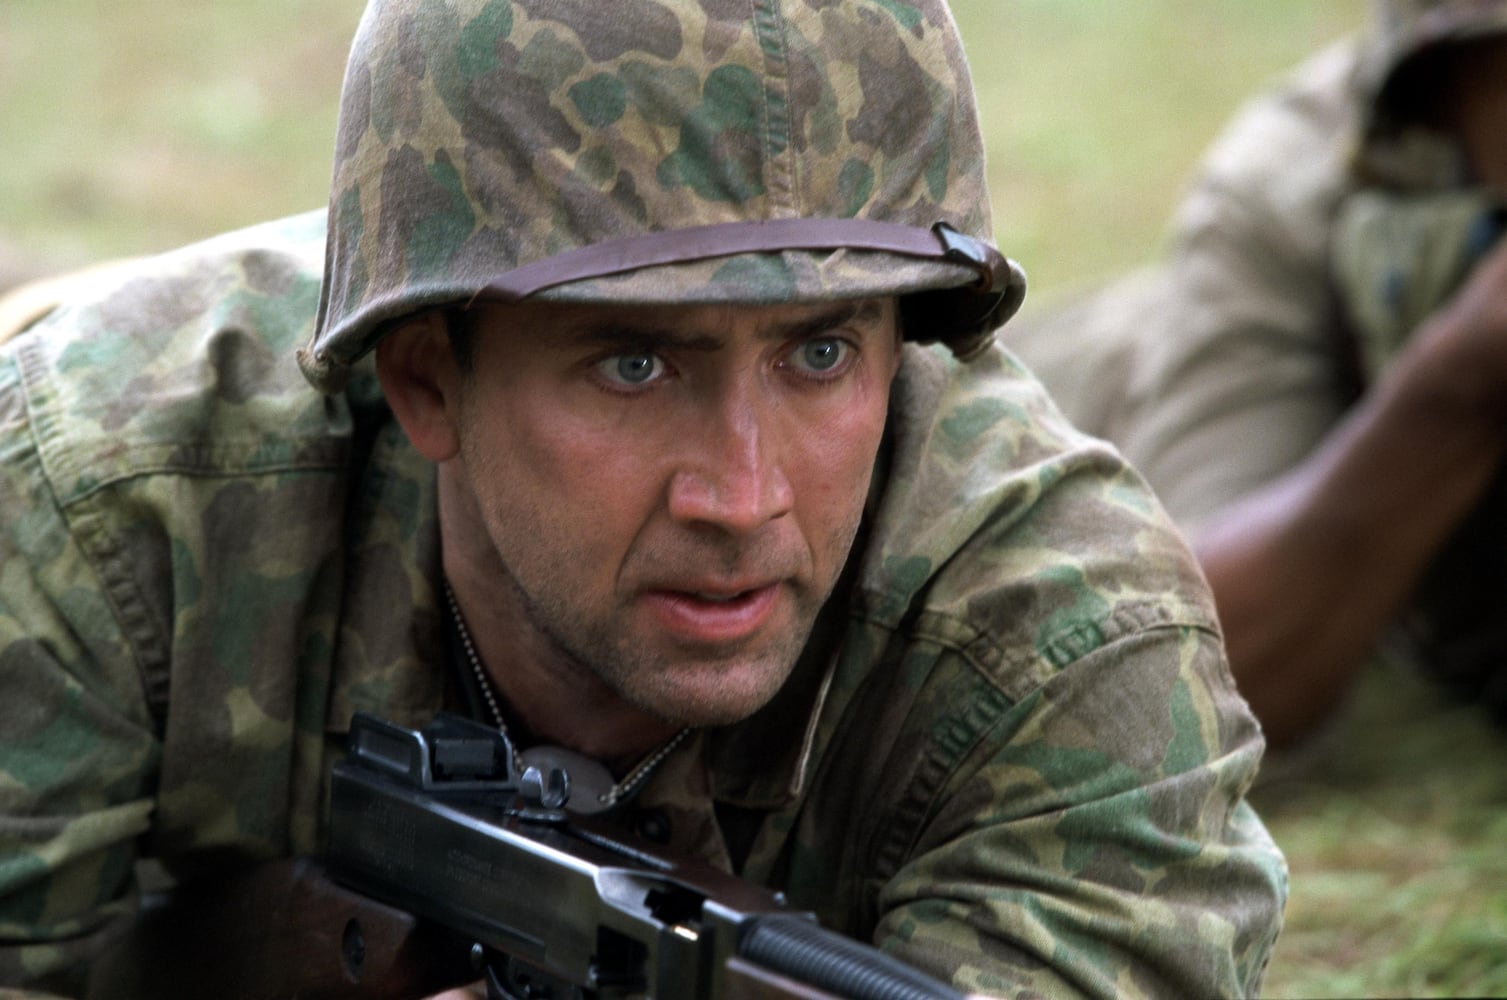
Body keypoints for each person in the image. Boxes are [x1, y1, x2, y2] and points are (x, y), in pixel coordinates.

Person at [0, 2, 1286, 996]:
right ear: (427, 380)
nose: (742, 494)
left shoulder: (1064, 646)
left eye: (819, 352)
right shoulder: (104, 504)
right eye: (632, 364)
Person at [1007, 0, 1507, 751]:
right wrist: (1456, 385)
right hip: (1089, 414)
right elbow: (1187, 677)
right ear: (1443, 86)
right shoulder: (1294, 182)